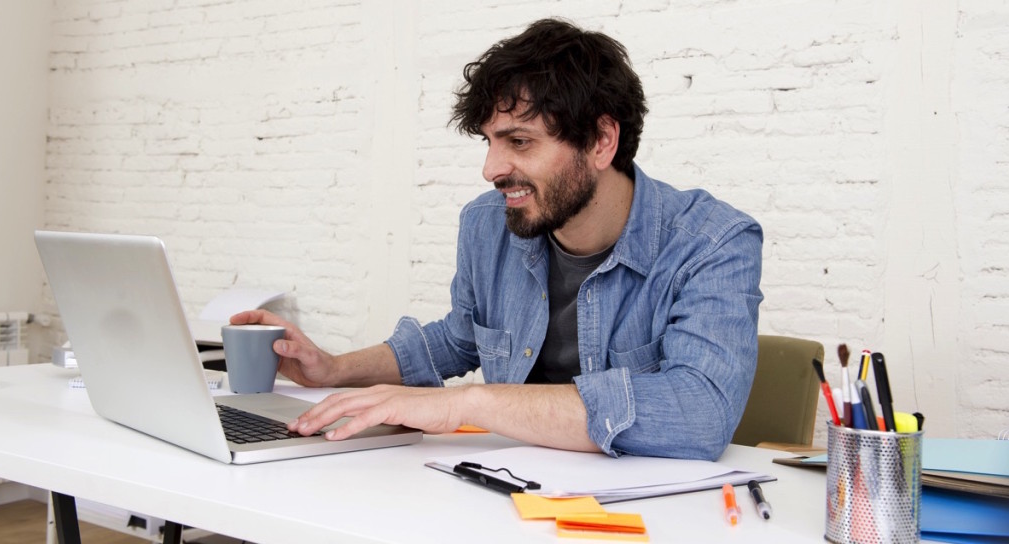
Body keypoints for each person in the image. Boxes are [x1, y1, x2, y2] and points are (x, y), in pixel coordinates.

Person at [232, 18, 763, 460]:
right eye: (489, 142)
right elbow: (461, 337)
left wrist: (466, 404)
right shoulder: (489, 224)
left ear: (602, 141)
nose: (491, 168)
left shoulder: (714, 244)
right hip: (505, 491)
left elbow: (699, 411)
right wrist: (334, 368)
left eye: (520, 142)